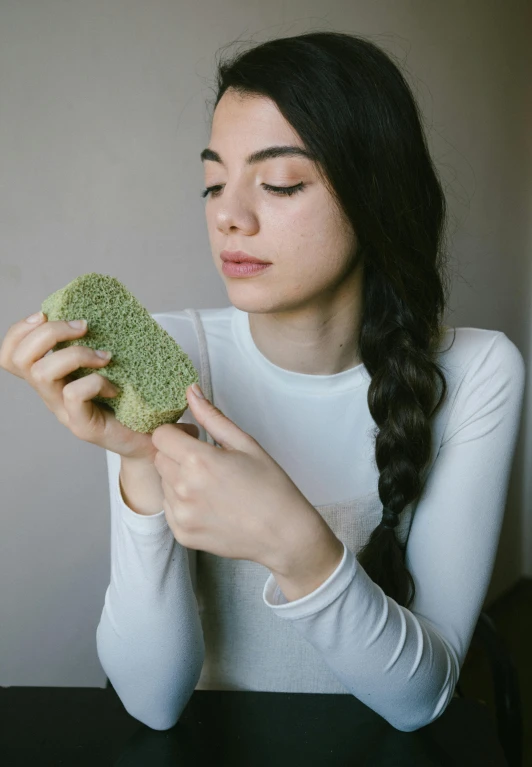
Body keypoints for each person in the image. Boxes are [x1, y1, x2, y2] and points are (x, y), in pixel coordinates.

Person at [2, 31, 525, 733]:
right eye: (214, 182)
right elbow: (153, 703)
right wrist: (138, 460)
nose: (227, 215)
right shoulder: (167, 357)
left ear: (376, 193)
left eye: (279, 183)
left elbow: (421, 699)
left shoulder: (478, 371)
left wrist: (295, 544)